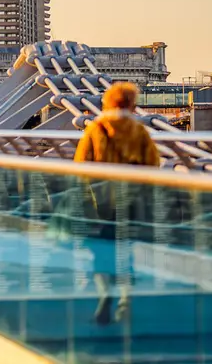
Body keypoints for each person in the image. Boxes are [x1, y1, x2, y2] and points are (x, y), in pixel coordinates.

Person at [73, 81, 160, 326]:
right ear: (133, 105)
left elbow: (80, 165)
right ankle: (124, 302)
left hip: (99, 204)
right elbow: (153, 166)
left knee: (100, 253)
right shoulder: (139, 131)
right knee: (126, 253)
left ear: (107, 102)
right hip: (130, 203)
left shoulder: (95, 129)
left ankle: (104, 295)